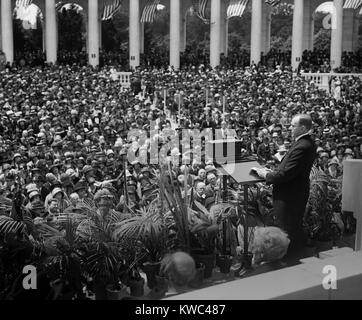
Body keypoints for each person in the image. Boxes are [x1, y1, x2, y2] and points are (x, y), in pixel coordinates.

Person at [252, 114, 317, 263]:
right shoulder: (304, 143)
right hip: (294, 193)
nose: (290, 128)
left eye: (293, 126)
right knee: (292, 227)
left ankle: (290, 260)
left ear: (302, 127)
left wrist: (265, 174)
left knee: (288, 229)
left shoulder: (303, 146)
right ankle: (295, 258)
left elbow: (286, 174)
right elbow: (289, 168)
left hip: (290, 196)